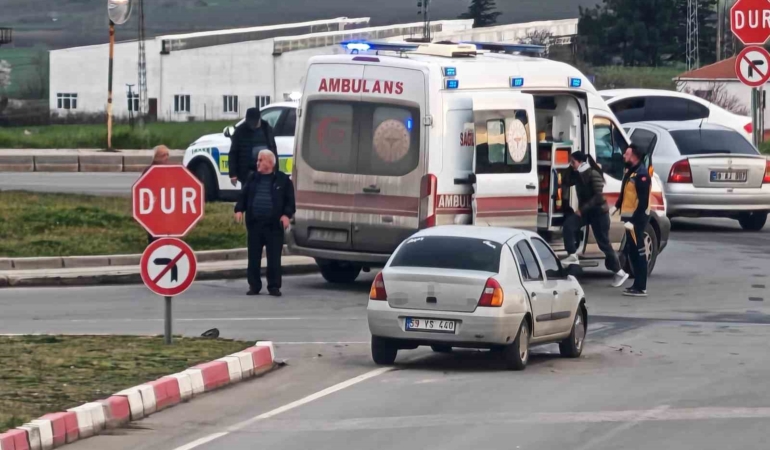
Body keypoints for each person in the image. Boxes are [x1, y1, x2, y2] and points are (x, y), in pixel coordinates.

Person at [561, 152, 629, 288]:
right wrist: (571, 167)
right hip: (587, 212)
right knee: (569, 225)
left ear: (581, 162)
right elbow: (566, 181)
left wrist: (582, 209)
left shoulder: (593, 174)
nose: (571, 164)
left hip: (598, 213)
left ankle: (620, 272)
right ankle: (572, 255)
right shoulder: (578, 173)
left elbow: (598, 197)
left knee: (603, 244)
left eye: (573, 162)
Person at [234, 149, 295, 297]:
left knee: (274, 258)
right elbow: (243, 196)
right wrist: (239, 210)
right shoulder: (252, 178)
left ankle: (274, 286)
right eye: (258, 160)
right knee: (253, 257)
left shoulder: (282, 180)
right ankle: (254, 286)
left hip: (274, 226)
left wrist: (286, 215)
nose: (258, 163)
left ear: (270, 163)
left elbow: (290, 202)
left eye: (261, 160)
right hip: (255, 225)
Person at [614, 144, 652, 297]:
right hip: (630, 218)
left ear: (634, 156)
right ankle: (636, 284)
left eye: (627, 153)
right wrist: (616, 206)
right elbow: (625, 192)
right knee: (633, 252)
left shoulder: (642, 175)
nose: (624, 155)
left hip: (637, 219)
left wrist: (634, 221)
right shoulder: (632, 172)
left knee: (639, 252)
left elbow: (642, 203)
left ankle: (641, 286)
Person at [228, 107, 278, 185]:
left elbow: (273, 149)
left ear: (259, 119)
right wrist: (233, 174)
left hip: (266, 171)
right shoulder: (240, 131)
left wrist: (276, 170)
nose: (251, 125)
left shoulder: (267, 129)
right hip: (247, 172)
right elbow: (233, 153)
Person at [143, 145, 171, 244]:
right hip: (154, 210)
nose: (166, 157)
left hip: (167, 209)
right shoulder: (149, 171)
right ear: (156, 157)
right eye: (163, 155)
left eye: (168, 155)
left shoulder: (171, 170)